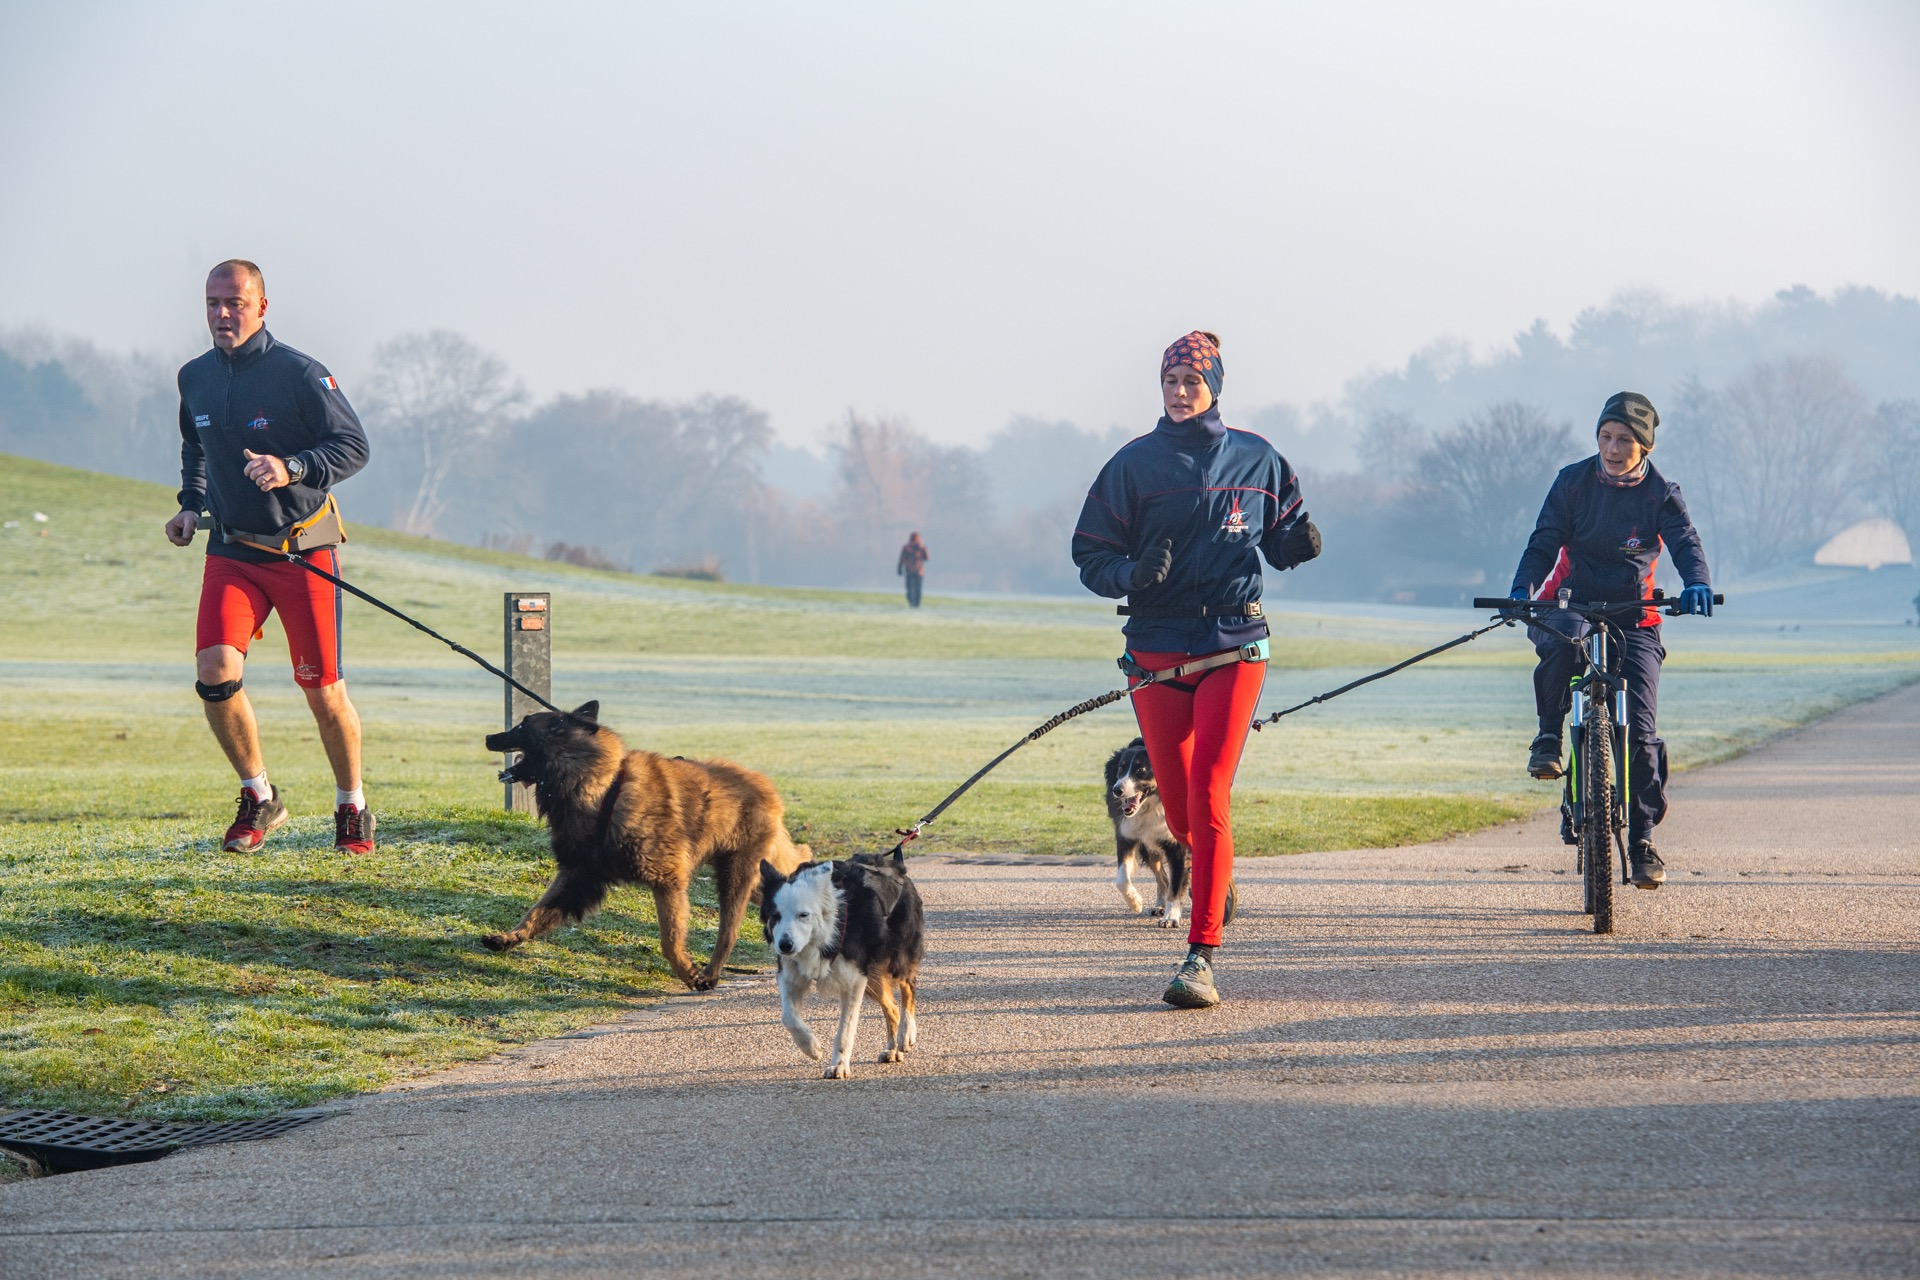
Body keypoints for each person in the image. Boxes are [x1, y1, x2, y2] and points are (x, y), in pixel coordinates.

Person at [1072, 331, 1321, 1008]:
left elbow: (1280, 532)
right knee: (1179, 809)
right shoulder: (1133, 466)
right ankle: (1219, 871)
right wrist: (1130, 572)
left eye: (1192, 381)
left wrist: (1297, 547)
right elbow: (1089, 553)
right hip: (1155, 650)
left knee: (1209, 795)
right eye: (1171, 381)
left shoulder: (1257, 456)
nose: (1180, 392)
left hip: (1234, 643)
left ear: (1215, 384)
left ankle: (1200, 957)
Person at [164, 260, 376, 854]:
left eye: (234, 302)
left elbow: (353, 446)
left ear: (262, 305)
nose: (222, 314)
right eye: (212, 303)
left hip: (302, 551)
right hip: (231, 551)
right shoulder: (195, 377)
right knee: (214, 673)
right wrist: (190, 504)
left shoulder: (301, 374)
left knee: (322, 689)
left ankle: (351, 805)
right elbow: (196, 448)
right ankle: (259, 796)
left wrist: (293, 467)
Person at [1509, 391, 1711, 888]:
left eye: (1624, 440)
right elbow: (1544, 539)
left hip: (1636, 617)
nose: (1613, 448)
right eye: (1605, 437)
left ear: (1645, 447)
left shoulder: (1661, 492)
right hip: (1574, 602)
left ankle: (1642, 840)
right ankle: (1549, 737)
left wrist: (1697, 582)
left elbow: (1685, 542)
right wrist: (1522, 587)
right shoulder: (1572, 483)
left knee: (1640, 733)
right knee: (1561, 643)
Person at [897, 531, 929, 607]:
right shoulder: (907, 548)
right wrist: (899, 568)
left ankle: (916, 604)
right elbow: (902, 558)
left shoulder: (921, 547)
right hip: (910, 571)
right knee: (910, 589)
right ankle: (911, 603)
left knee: (917, 589)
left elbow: (927, 557)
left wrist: (922, 547)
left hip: (919, 571)